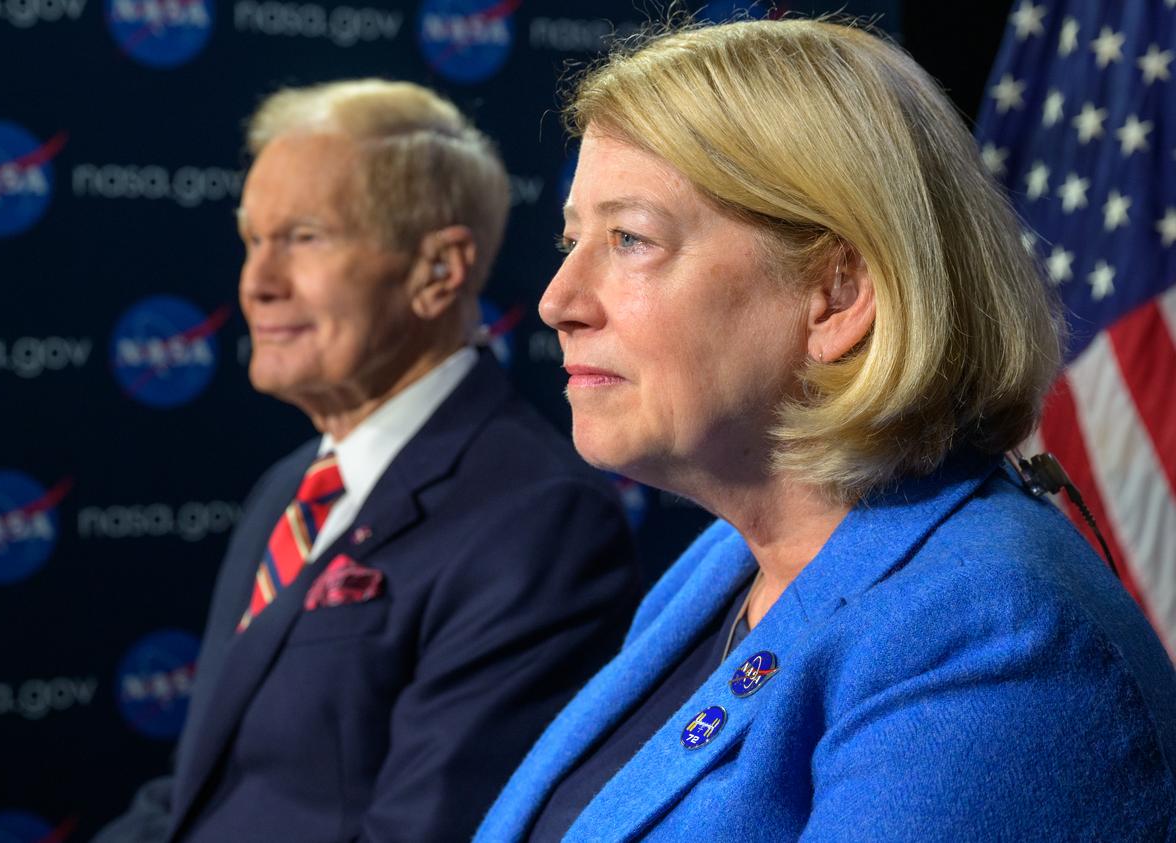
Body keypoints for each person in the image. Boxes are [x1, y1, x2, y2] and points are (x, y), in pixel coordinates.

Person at [477, 19, 1176, 842]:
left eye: (630, 240)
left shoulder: (998, 644)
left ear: (839, 295)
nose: (558, 299)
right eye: (573, 239)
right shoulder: (728, 562)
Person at [95, 79, 640, 843]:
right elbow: (198, 796)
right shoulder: (289, 486)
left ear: (438, 271)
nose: (259, 283)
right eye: (254, 240)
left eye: (306, 237)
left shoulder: (540, 519)